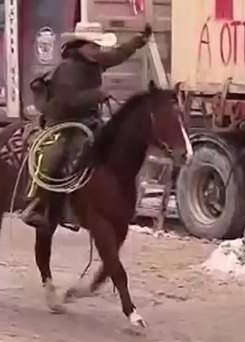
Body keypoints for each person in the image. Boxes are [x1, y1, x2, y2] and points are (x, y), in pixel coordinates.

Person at [23, 26, 152, 228]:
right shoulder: (67, 68)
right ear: (81, 46)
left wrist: (138, 40)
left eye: (98, 45)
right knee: (55, 155)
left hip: (88, 120)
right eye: (94, 45)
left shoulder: (95, 60)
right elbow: (67, 100)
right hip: (63, 123)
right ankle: (39, 204)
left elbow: (117, 54)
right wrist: (96, 95)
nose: (98, 49)